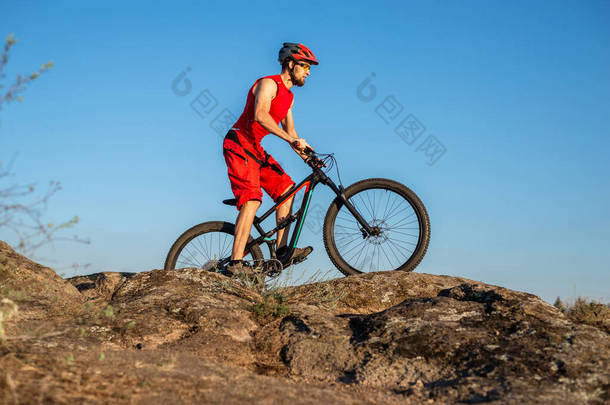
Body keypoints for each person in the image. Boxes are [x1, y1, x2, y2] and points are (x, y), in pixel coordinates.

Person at [222, 42, 319, 275]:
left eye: (309, 68)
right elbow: (260, 115)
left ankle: (282, 251)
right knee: (252, 199)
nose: (308, 72)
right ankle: (235, 263)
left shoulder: (289, 98)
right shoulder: (268, 83)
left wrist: (311, 158)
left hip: (255, 149)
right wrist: (289, 140)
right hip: (238, 143)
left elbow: (292, 134)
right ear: (291, 64)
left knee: (287, 189)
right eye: (305, 66)